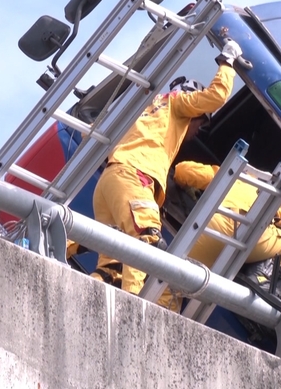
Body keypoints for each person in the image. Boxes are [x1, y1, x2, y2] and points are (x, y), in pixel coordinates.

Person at [90, 39, 242, 293]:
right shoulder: (177, 103)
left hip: (110, 180)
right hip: (133, 178)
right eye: (200, 125)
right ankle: (132, 317)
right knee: (147, 243)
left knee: (111, 270)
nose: (195, 132)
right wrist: (228, 61)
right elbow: (216, 96)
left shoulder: (145, 109)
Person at [173, 161, 281, 286]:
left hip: (205, 227)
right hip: (247, 237)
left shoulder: (243, 175)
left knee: (169, 280)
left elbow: (183, 171)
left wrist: (187, 187)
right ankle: (259, 279)